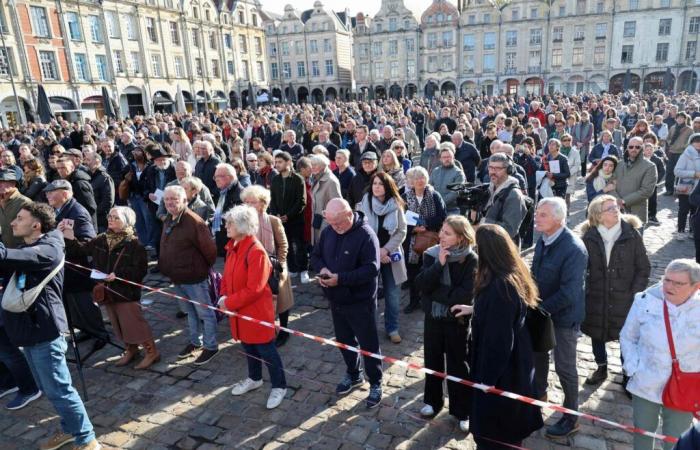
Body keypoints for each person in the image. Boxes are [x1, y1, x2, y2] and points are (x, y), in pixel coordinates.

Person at [0, 202, 100, 450]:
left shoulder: (49, 248)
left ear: (36, 224)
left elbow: (8, 257)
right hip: (31, 330)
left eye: (19, 218)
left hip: (45, 331)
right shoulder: (33, 245)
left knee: (59, 389)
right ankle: (70, 430)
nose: (13, 222)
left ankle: (87, 439)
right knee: (48, 387)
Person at [452, 224, 544, 449]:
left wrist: (487, 381)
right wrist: (475, 309)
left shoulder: (499, 288)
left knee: (496, 436)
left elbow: (499, 342)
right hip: (513, 367)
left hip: (503, 377)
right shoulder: (510, 275)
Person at [62, 206, 158, 369]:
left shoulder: (135, 244)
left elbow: (140, 270)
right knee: (117, 323)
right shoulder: (101, 238)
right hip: (107, 291)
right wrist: (69, 237)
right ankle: (131, 349)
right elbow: (81, 251)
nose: (110, 219)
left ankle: (151, 352)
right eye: (110, 216)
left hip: (125, 292)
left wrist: (118, 274)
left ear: (127, 222)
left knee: (134, 324)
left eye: (116, 218)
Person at [310, 198, 383, 409]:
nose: (335, 227)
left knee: (368, 344)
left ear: (349, 214)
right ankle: (353, 374)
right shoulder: (328, 231)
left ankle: (376, 382)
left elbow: (371, 270)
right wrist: (322, 269)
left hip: (360, 302)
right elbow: (315, 256)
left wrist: (340, 278)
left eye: (338, 223)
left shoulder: (366, 236)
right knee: (343, 340)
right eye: (331, 223)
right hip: (336, 299)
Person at [620, 259, 700, 450]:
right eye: (667, 280)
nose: (669, 287)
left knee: (676, 440)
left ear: (696, 287)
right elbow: (627, 336)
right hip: (646, 382)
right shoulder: (645, 300)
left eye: (678, 283)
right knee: (642, 435)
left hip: (684, 386)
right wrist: (633, 368)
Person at [218, 205, 288, 409]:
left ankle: (279, 386)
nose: (226, 226)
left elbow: (254, 289)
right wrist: (223, 294)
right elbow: (226, 275)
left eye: (230, 223)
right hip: (239, 311)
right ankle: (254, 378)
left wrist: (228, 302)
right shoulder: (233, 246)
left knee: (266, 350)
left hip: (255, 312)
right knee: (248, 346)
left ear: (242, 225)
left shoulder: (255, 251)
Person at [531, 197, 588, 438]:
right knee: (538, 356)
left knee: (565, 367)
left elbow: (569, 292)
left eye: (543, 214)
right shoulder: (543, 239)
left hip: (563, 318)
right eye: (537, 213)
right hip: (542, 311)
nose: (537, 217)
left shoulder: (573, 248)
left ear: (559, 218)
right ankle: (538, 394)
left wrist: (540, 309)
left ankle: (571, 417)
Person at [580, 195, 650, 386]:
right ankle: (601, 367)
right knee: (596, 333)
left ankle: (627, 373)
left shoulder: (632, 234)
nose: (616, 210)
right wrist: (586, 291)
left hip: (624, 297)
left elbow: (643, 268)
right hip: (596, 296)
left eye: (616, 206)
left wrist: (633, 294)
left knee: (626, 337)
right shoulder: (590, 237)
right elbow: (581, 267)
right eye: (609, 208)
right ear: (598, 216)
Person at [415, 216, 477, 433]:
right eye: (441, 231)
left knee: (458, 365)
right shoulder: (432, 255)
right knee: (432, 360)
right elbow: (422, 284)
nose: (441, 236)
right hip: (433, 318)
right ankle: (432, 401)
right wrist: (439, 265)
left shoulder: (471, 260)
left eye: (447, 233)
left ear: (461, 237)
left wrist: (435, 292)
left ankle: (462, 410)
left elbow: (464, 296)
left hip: (457, 321)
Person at [45, 180, 111, 347]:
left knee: (85, 304)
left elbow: (88, 242)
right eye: (47, 193)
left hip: (78, 267)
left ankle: (100, 334)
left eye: (52, 192)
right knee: (74, 306)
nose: (48, 195)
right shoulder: (57, 210)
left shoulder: (77, 212)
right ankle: (85, 330)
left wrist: (69, 238)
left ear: (65, 193)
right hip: (65, 268)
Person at [159, 185, 219, 365]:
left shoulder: (194, 222)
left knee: (205, 314)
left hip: (194, 277)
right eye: (167, 199)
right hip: (177, 277)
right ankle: (195, 342)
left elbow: (210, 251)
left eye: (174, 199)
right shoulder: (169, 218)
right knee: (190, 312)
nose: (170, 202)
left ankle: (211, 346)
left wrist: (200, 269)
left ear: (185, 201)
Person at [241, 186, 295, 347]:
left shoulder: (272, 220)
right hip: (252, 269)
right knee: (260, 301)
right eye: (246, 202)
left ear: (263, 203)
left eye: (253, 202)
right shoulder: (243, 222)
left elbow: (283, 244)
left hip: (275, 268)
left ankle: (284, 330)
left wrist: (278, 263)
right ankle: (265, 328)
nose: (249, 205)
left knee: (282, 301)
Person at [358, 172, 407, 344]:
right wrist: (375, 252)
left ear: (387, 186)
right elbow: (360, 229)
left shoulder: (396, 204)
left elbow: (402, 231)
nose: (376, 186)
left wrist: (385, 250)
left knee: (392, 295)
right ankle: (368, 328)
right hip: (370, 257)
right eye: (374, 183)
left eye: (380, 184)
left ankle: (392, 328)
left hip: (390, 257)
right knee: (368, 294)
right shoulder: (365, 202)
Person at [402, 166, 447, 313]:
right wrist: (413, 229)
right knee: (413, 273)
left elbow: (442, 217)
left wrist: (425, 225)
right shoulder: (405, 197)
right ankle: (414, 301)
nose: (419, 180)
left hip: (430, 240)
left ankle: (428, 300)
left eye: (422, 177)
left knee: (429, 271)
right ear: (411, 181)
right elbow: (400, 220)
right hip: (412, 242)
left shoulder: (434, 195)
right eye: (416, 178)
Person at [270, 151, 308, 282]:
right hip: (280, 220)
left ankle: (304, 269)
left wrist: (288, 215)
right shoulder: (275, 179)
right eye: (276, 162)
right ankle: (293, 269)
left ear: (288, 162)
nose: (277, 165)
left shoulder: (298, 179)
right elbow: (273, 200)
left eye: (280, 162)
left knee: (299, 244)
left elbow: (301, 201)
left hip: (296, 219)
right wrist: (277, 215)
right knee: (286, 246)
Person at [481, 154, 528, 245]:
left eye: (498, 168)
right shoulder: (488, 189)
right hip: (487, 244)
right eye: (491, 167)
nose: (493, 172)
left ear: (509, 170)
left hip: (503, 249)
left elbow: (510, 230)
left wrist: (483, 222)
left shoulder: (514, 195)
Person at [613, 136, 658, 224]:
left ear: (642, 148)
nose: (634, 149)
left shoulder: (650, 166)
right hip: (616, 211)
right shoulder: (619, 164)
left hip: (636, 213)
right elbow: (610, 184)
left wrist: (624, 201)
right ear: (627, 147)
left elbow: (646, 191)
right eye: (631, 147)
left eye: (637, 147)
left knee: (635, 237)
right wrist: (617, 200)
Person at [211, 163, 243, 256]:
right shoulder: (222, 192)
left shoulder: (241, 194)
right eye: (215, 177)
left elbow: (237, 219)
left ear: (231, 177)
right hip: (222, 241)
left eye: (219, 176)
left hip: (233, 243)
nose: (216, 179)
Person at [56, 157, 97, 228]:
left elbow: (90, 207)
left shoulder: (79, 184)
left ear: (72, 168)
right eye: (58, 168)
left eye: (63, 168)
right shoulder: (66, 182)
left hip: (83, 226)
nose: (60, 170)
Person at [310, 154, 342, 245]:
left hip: (326, 224)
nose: (312, 167)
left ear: (323, 166)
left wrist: (328, 221)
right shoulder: (315, 178)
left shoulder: (331, 181)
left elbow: (337, 205)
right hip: (316, 223)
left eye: (315, 165)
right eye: (311, 165)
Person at [673, 133, 700, 240]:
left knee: (695, 211)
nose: (698, 144)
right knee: (683, 210)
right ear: (691, 143)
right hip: (686, 188)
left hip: (698, 190)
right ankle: (680, 231)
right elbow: (677, 171)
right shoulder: (685, 155)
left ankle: (693, 231)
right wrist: (694, 174)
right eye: (696, 141)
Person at [430, 144, 466, 216]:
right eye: (444, 157)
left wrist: (440, 202)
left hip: (452, 210)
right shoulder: (435, 171)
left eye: (449, 157)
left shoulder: (459, 173)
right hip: (435, 208)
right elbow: (429, 187)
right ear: (440, 159)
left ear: (453, 158)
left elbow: (456, 192)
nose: (447, 159)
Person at [0, 170, 32, 249]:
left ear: (13, 183)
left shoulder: (25, 203)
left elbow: (31, 230)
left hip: (21, 250)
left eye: (2, 181)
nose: (0, 185)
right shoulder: (1, 200)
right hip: (5, 250)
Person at [84, 152, 115, 233]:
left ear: (97, 161)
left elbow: (108, 201)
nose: (85, 162)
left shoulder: (105, 178)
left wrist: (95, 212)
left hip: (101, 221)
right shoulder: (89, 176)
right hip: (91, 218)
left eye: (88, 160)